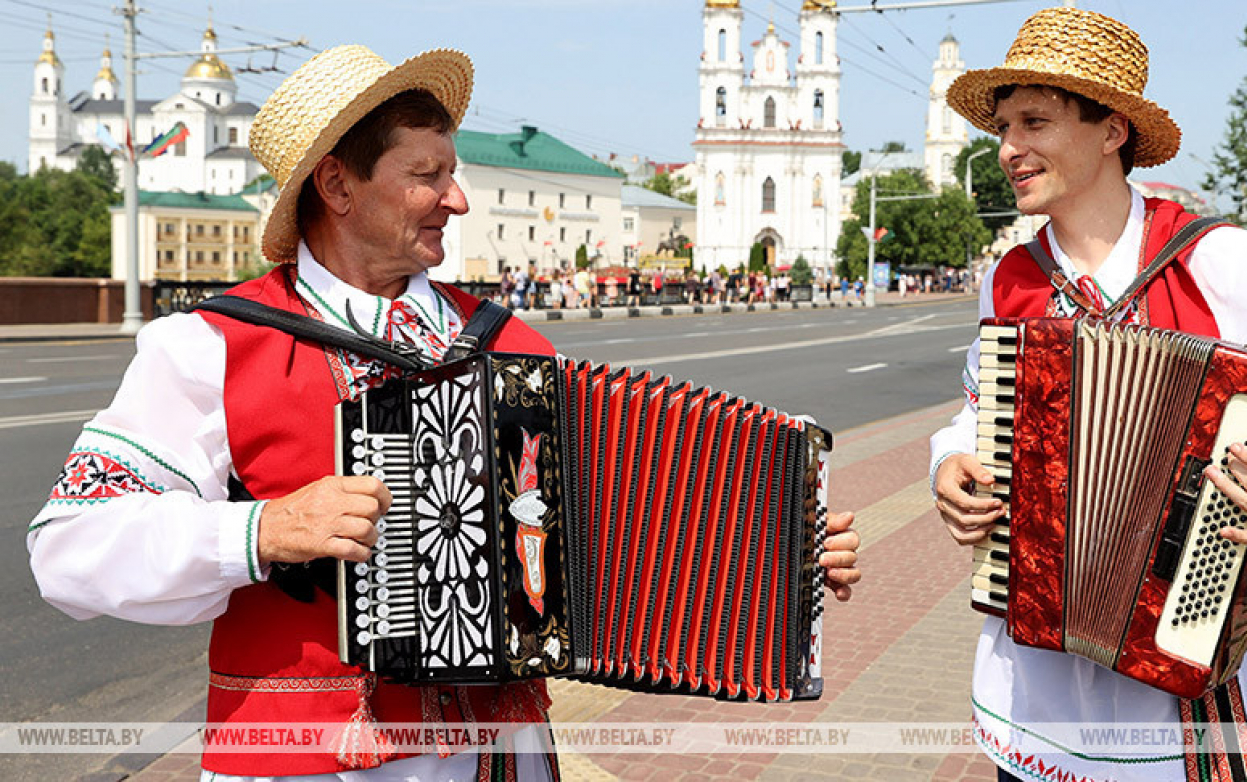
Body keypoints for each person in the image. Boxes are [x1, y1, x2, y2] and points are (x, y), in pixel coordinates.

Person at [27, 45, 862, 781]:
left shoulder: (509, 342)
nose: (455, 199)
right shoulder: (212, 346)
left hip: (499, 760)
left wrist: (779, 549)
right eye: (426, 175)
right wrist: (258, 532)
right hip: (309, 766)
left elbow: (608, 524)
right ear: (338, 186)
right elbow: (67, 549)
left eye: (451, 171)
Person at [928, 9, 1247, 781]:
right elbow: (976, 407)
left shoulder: (1218, 260)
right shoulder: (1012, 278)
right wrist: (951, 461)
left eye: (1034, 120)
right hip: (1031, 694)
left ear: (1112, 132)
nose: (1007, 150)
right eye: (1002, 126)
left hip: (1177, 700)